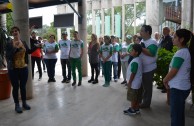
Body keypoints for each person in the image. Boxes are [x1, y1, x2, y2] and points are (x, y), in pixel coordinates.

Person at [5, 26, 40, 113]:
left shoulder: (23, 42)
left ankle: (24, 103)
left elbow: (28, 52)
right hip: (13, 69)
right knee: (16, 87)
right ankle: (17, 105)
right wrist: (16, 48)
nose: (14, 32)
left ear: (19, 32)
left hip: (24, 68)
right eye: (13, 31)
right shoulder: (9, 43)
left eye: (16, 30)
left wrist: (37, 47)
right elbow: (8, 56)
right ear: (11, 34)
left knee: (23, 87)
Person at [163, 29, 193, 126]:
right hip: (181, 87)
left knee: (176, 116)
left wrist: (164, 80)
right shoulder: (184, 51)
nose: (173, 38)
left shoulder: (181, 53)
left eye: (175, 37)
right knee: (179, 115)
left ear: (182, 39)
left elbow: (174, 71)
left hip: (178, 88)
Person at [139, 25, 158, 108]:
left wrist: (141, 48)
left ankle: (146, 104)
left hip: (149, 68)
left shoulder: (152, 42)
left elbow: (151, 53)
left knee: (147, 87)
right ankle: (143, 101)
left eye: (142, 31)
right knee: (143, 86)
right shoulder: (143, 40)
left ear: (147, 32)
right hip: (142, 68)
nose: (140, 32)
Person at [123, 44, 142, 115]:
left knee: (133, 97)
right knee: (136, 97)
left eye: (132, 50)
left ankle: (132, 109)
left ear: (136, 52)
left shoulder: (135, 61)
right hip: (137, 82)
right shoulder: (138, 59)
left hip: (134, 83)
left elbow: (133, 73)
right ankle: (136, 108)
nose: (130, 51)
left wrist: (129, 82)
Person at [158, 26, 173, 93]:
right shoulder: (162, 38)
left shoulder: (170, 38)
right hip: (161, 56)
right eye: (163, 30)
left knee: (166, 72)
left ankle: (165, 87)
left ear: (168, 31)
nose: (163, 31)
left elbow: (169, 47)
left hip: (166, 56)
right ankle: (162, 84)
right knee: (162, 72)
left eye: (165, 30)